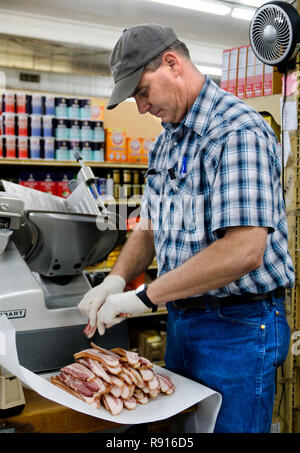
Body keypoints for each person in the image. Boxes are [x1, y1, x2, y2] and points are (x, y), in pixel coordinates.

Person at [78, 24, 294, 433]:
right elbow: (150, 224)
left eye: (142, 92)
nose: (141, 108)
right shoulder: (167, 141)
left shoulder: (236, 130)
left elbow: (243, 251)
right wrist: (116, 280)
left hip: (240, 329)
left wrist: (145, 298)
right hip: (183, 321)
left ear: (172, 64)